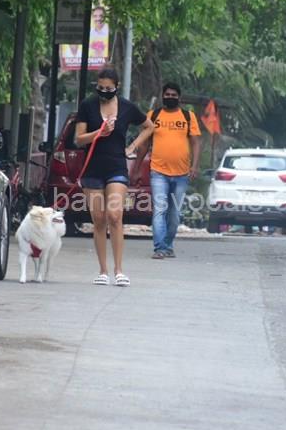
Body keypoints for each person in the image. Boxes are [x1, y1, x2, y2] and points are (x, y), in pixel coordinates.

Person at [74, 66, 155, 286]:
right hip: (92, 168)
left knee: (115, 215)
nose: (104, 92)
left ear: (116, 87)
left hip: (117, 167)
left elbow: (149, 127)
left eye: (108, 89)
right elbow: (79, 139)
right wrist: (99, 133)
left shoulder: (127, 107)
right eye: (100, 88)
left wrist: (133, 146)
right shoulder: (87, 105)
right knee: (99, 219)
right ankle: (103, 271)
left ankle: (119, 270)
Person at [133, 82, 202, 259]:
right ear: (163, 96)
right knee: (160, 210)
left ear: (179, 97)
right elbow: (144, 145)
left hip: (181, 174)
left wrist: (194, 166)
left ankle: (168, 245)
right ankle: (159, 248)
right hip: (158, 172)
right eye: (167, 94)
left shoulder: (188, 117)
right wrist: (136, 168)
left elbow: (195, 142)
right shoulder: (153, 116)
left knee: (174, 214)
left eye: (173, 95)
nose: (170, 97)